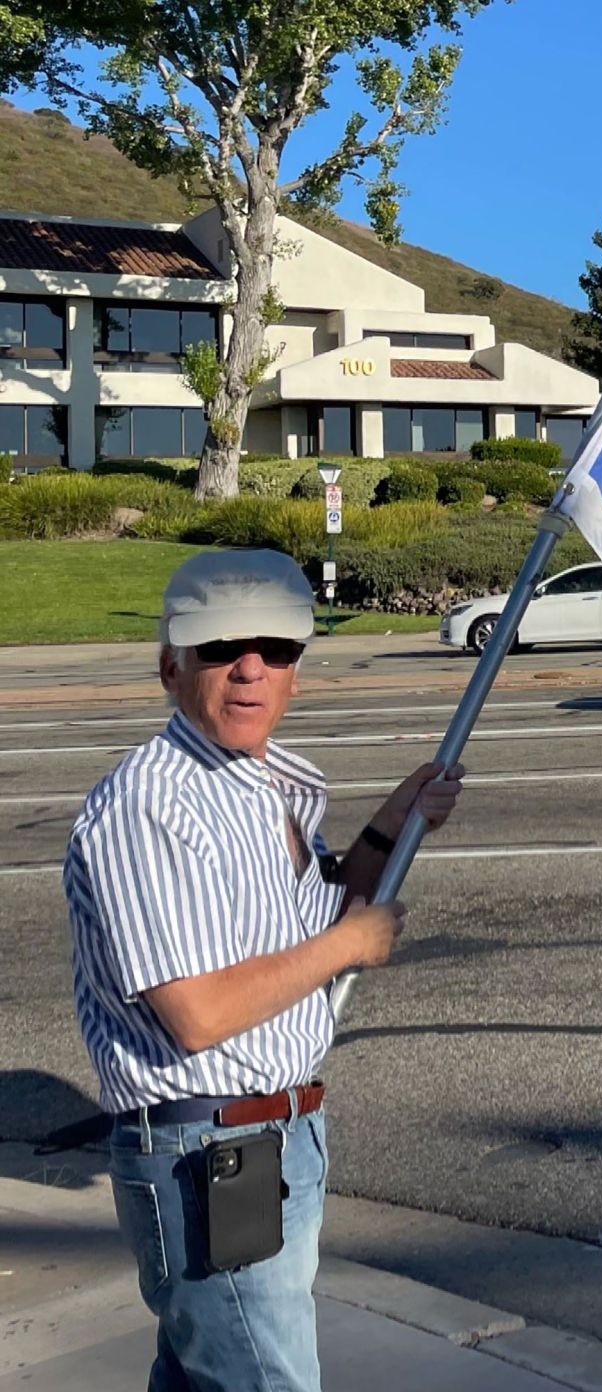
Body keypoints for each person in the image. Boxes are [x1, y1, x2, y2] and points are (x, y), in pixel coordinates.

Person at [63, 548, 464, 1392]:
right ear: (170, 663)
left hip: (270, 1140)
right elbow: (198, 1011)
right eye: (221, 648)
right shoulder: (151, 805)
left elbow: (311, 914)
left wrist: (394, 820)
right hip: (209, 1151)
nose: (251, 669)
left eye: (277, 650)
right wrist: (350, 947)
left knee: (208, 1372)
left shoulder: (264, 784)